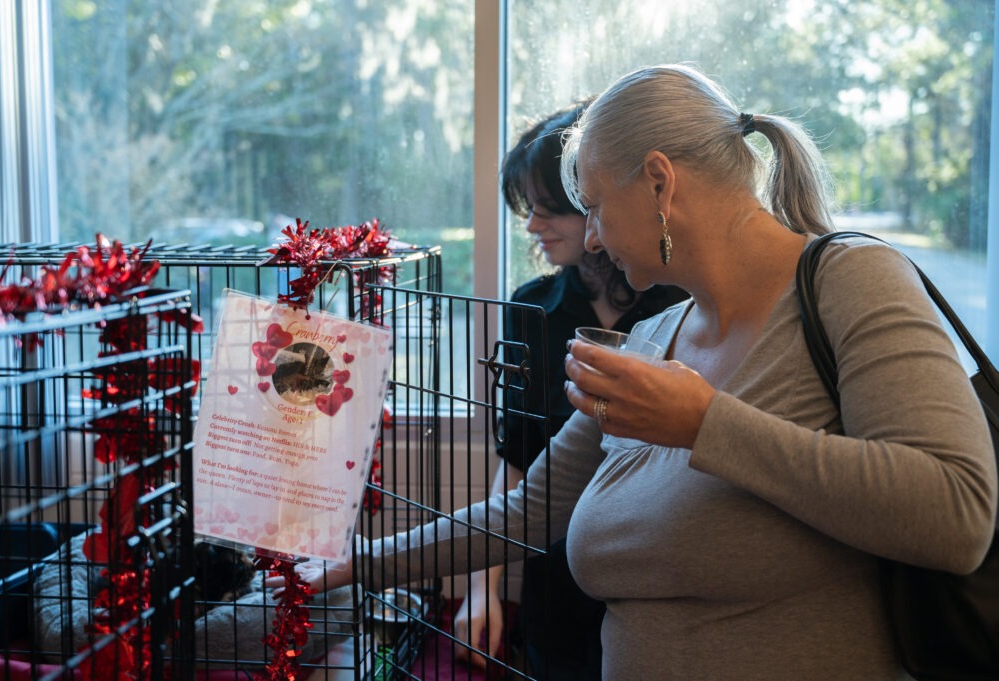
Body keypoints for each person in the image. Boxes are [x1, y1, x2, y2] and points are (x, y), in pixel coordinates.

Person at [273, 64, 997, 680]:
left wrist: (707, 424)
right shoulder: (649, 340)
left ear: (659, 182)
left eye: (594, 207)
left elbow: (956, 513)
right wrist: (347, 564)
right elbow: (528, 513)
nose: (590, 235)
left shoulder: (851, 279)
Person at [450, 101, 687, 678]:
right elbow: (518, 456)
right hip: (553, 568)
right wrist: (482, 588)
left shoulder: (683, 305)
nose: (532, 226)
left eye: (548, 209)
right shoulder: (531, 308)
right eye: (527, 209)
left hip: (656, 572)